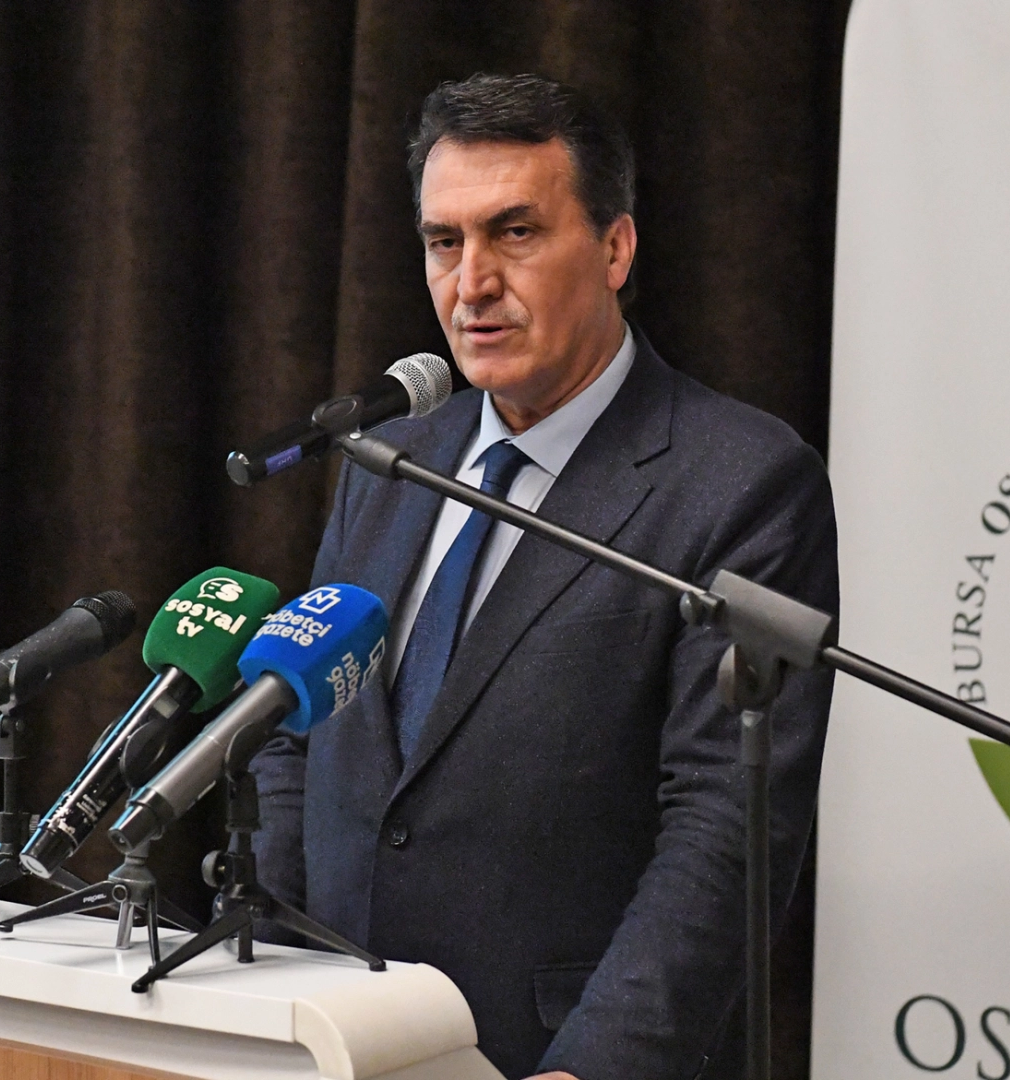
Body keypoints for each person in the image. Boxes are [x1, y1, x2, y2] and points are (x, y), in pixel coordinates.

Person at [250, 73, 837, 1080]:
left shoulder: (741, 482)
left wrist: (594, 1066)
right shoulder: (392, 458)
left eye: (514, 233)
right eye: (444, 242)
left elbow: (726, 824)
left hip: (547, 1052)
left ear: (615, 248)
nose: (472, 283)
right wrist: (268, 977)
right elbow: (296, 737)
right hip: (329, 1036)